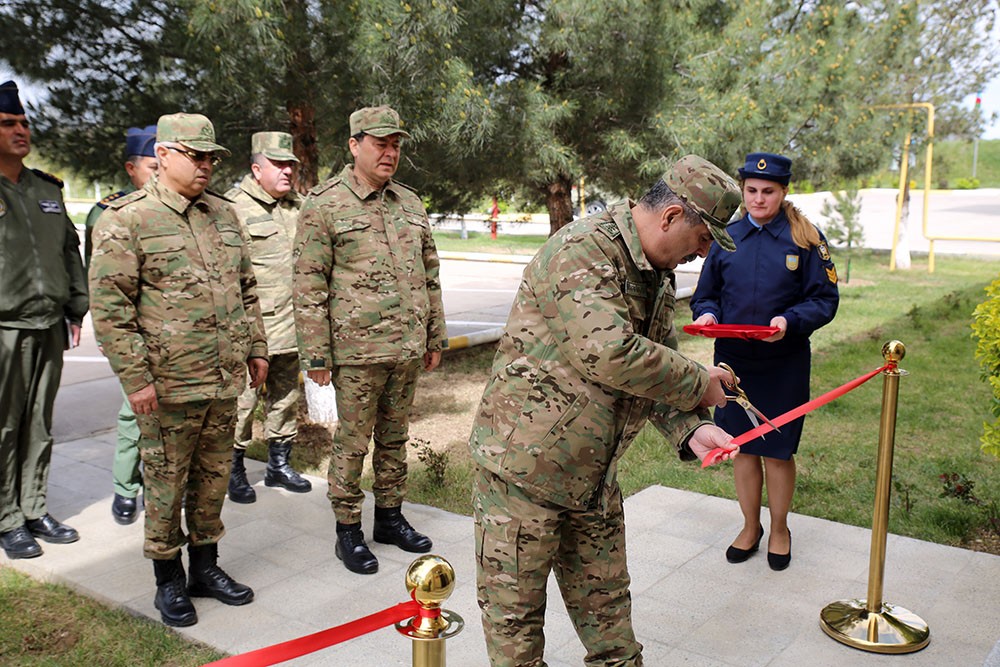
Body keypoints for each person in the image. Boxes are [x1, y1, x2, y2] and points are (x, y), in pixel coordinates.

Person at [470, 154, 743, 667]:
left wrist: (690, 430)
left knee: (613, 634)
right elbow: (609, 353)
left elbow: (655, 356)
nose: (703, 255)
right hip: (523, 477)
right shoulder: (582, 250)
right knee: (517, 640)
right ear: (671, 217)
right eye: (703, 239)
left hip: (592, 478)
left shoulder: (654, 272)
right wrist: (698, 383)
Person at [89, 113, 268, 627]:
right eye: (195, 154)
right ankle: (167, 580)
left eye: (211, 156)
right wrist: (136, 378)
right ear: (163, 155)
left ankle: (205, 569)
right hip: (167, 385)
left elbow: (246, 289)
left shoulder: (224, 215)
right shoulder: (126, 219)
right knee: (166, 485)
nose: (206, 164)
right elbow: (111, 309)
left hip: (222, 378)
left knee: (212, 481)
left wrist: (256, 347)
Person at [294, 105, 445, 575]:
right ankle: (348, 531)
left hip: (405, 348)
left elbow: (430, 275)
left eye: (396, 144)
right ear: (354, 144)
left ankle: (390, 518)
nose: (390, 152)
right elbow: (308, 283)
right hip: (357, 352)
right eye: (380, 143)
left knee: (396, 439)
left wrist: (433, 335)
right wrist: (315, 353)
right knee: (353, 443)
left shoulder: (410, 202)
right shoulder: (325, 204)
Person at [690, 152, 839, 571]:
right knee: (741, 449)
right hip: (733, 364)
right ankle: (749, 526)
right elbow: (707, 294)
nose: (758, 199)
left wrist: (790, 321)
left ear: (784, 191)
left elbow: (825, 300)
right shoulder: (727, 237)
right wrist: (707, 314)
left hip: (783, 362)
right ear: (743, 191)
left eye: (768, 191)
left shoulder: (805, 239)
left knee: (777, 450)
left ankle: (778, 528)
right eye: (751, 191)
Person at [0, 80, 89, 560]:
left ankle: (33, 507)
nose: (20, 130)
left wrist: (76, 304)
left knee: (38, 422)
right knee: (3, 426)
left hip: (47, 324)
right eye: (8, 123)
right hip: (3, 329)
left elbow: (68, 252)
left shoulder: (45, 189)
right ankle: (6, 517)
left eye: (24, 123)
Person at [225, 131, 312, 503]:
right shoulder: (232, 208)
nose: (287, 170)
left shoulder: (300, 207)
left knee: (285, 397)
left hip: (293, 327)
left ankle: (279, 465)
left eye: (291, 164)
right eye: (278, 164)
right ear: (256, 168)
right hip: (253, 331)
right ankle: (233, 469)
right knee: (242, 402)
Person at [84, 125, 159, 525]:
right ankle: (125, 487)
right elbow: (98, 281)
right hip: (130, 332)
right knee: (133, 411)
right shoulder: (108, 213)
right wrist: (106, 332)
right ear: (131, 169)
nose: (159, 172)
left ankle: (156, 485)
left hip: (170, 333)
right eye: (151, 166)